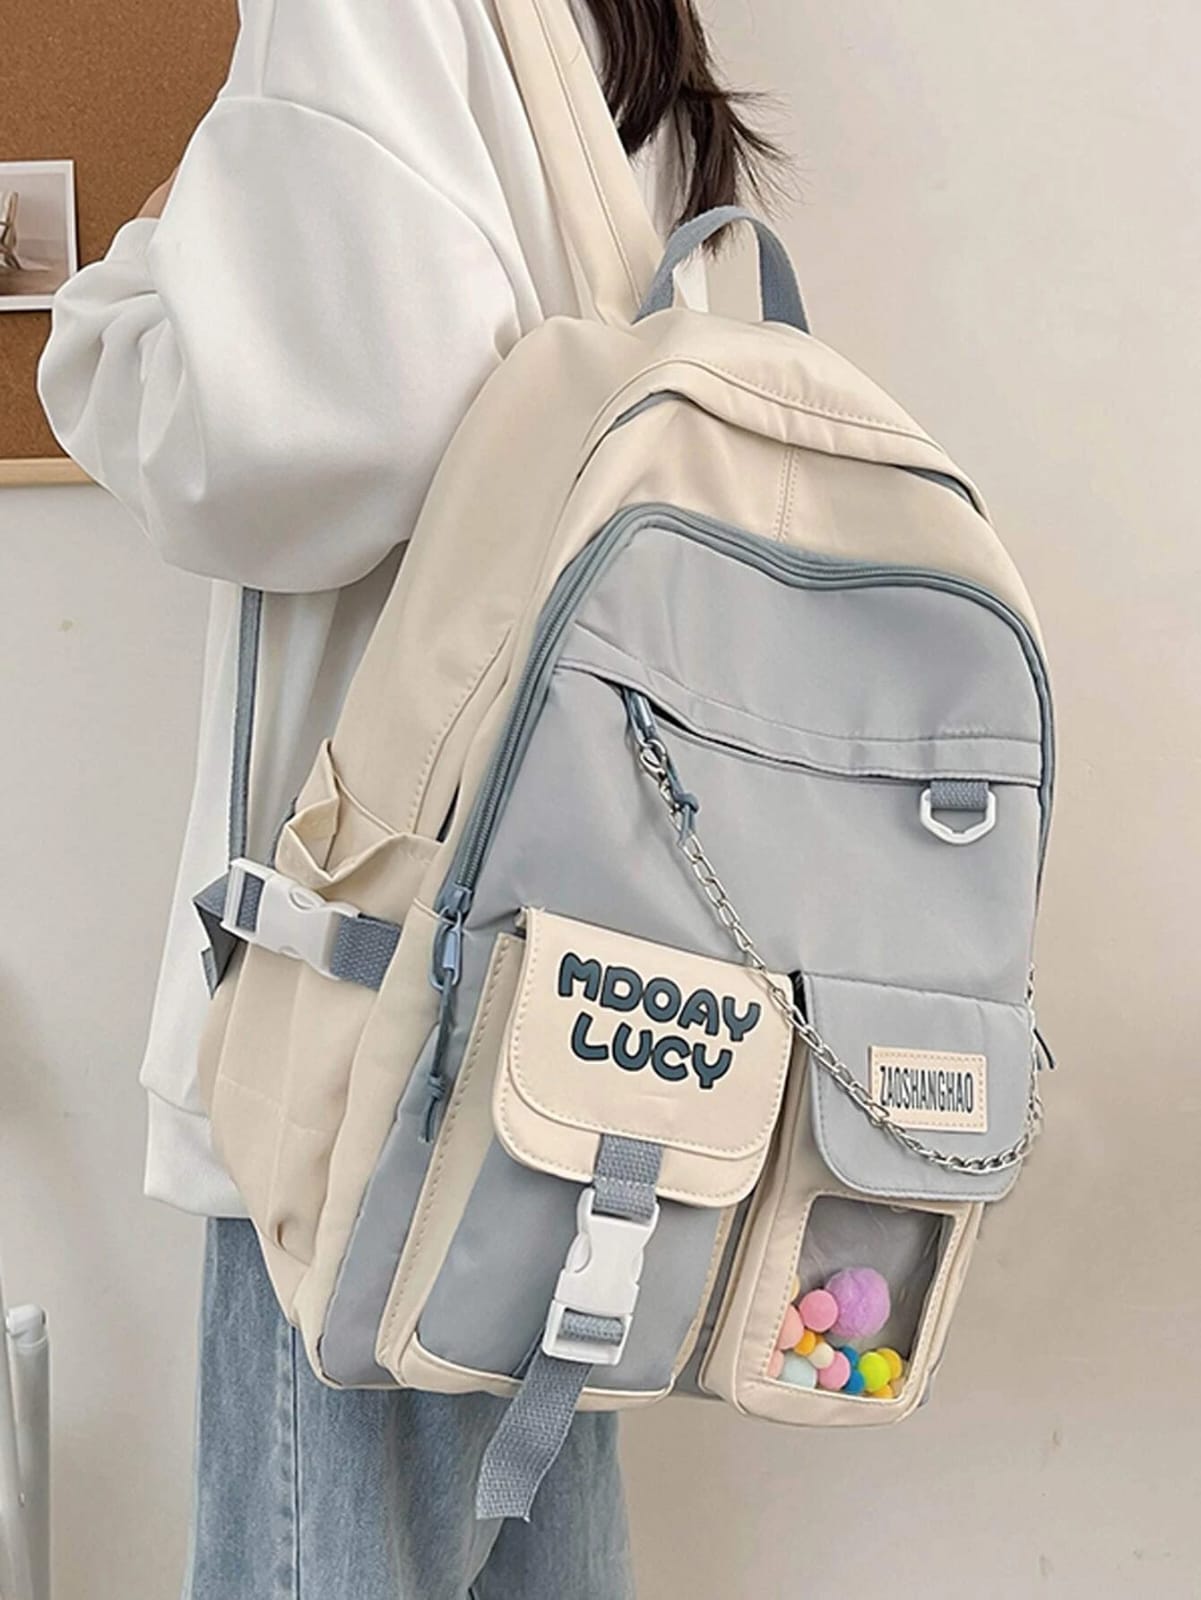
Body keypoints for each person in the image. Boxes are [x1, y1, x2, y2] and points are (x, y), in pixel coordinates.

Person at [36, 1, 780, 1593]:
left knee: (330, 1532)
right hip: (576, 950)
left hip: (370, 977)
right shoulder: (609, 30)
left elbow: (299, 444)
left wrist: (124, 292)